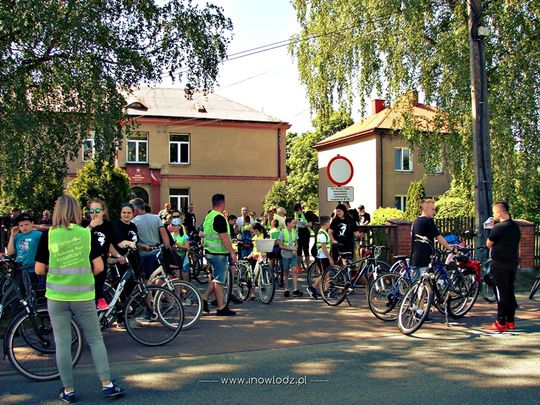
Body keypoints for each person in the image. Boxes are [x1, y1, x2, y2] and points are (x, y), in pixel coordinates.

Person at [34, 194, 124, 403]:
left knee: (63, 344)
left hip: (56, 296)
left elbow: (38, 269)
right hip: (83, 295)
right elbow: (99, 266)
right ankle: (107, 384)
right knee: (95, 339)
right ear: (76, 212)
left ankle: (68, 390)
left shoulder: (49, 235)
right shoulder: (85, 234)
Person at [484, 201, 521, 332]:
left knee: (501, 293)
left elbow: (488, 244)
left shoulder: (499, 227)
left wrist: (492, 228)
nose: (494, 215)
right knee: (510, 292)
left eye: (494, 212)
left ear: (500, 213)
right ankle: (510, 320)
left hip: (499, 265)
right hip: (512, 263)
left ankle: (500, 322)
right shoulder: (515, 226)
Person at [201, 194, 237, 316]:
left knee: (217, 278)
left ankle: (204, 298)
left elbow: (203, 233)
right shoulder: (219, 217)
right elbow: (224, 237)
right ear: (223, 203)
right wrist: (232, 252)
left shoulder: (208, 216)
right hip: (219, 253)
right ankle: (221, 308)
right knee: (219, 281)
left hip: (209, 252)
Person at [85, 199, 122, 311]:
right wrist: (90, 226)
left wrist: (118, 255)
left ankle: (100, 300)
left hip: (101, 260)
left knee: (98, 283)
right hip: (86, 261)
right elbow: (80, 239)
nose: (94, 213)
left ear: (103, 211)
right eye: (91, 210)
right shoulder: (84, 225)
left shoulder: (109, 226)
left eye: (97, 210)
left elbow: (109, 243)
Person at [410, 199, 457, 277]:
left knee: (415, 282)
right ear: (426, 209)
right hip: (426, 258)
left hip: (415, 257)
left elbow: (413, 234)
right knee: (427, 282)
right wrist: (451, 249)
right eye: (432, 209)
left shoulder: (415, 221)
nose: (434, 212)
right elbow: (439, 237)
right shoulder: (428, 221)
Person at [129, 198, 171, 278]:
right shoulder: (156, 218)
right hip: (157, 252)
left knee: (146, 279)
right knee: (160, 277)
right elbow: (164, 235)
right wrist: (167, 248)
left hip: (143, 254)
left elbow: (133, 241)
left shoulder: (133, 222)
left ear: (136, 210)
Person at [7, 213, 43, 291]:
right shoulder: (17, 236)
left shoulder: (38, 234)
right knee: (19, 292)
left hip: (33, 270)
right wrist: (12, 236)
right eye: (21, 225)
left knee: (34, 292)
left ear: (32, 224)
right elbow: (10, 252)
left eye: (26, 224)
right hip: (19, 269)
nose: (24, 227)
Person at [307, 216, 334, 299]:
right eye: (329, 222)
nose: (330, 224)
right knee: (324, 274)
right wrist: (330, 258)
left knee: (326, 274)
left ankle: (326, 291)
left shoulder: (323, 232)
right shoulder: (322, 233)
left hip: (323, 256)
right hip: (322, 257)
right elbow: (323, 248)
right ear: (326, 223)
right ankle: (313, 287)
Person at [278, 217, 303, 297]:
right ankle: (286, 289)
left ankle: (295, 289)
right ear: (288, 223)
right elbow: (280, 245)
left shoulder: (294, 232)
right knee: (286, 272)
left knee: (294, 271)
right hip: (285, 255)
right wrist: (291, 248)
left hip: (293, 255)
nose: (294, 224)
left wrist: (295, 249)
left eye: (295, 223)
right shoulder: (282, 232)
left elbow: (297, 243)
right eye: (293, 223)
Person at [293, 203, 312, 269]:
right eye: (296, 211)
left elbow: (310, 224)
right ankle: (299, 267)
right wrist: (295, 223)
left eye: (297, 210)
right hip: (298, 234)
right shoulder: (295, 216)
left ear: (300, 209)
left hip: (306, 233)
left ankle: (308, 267)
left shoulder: (306, 214)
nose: (297, 212)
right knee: (299, 251)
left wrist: (305, 224)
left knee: (306, 250)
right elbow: (293, 226)